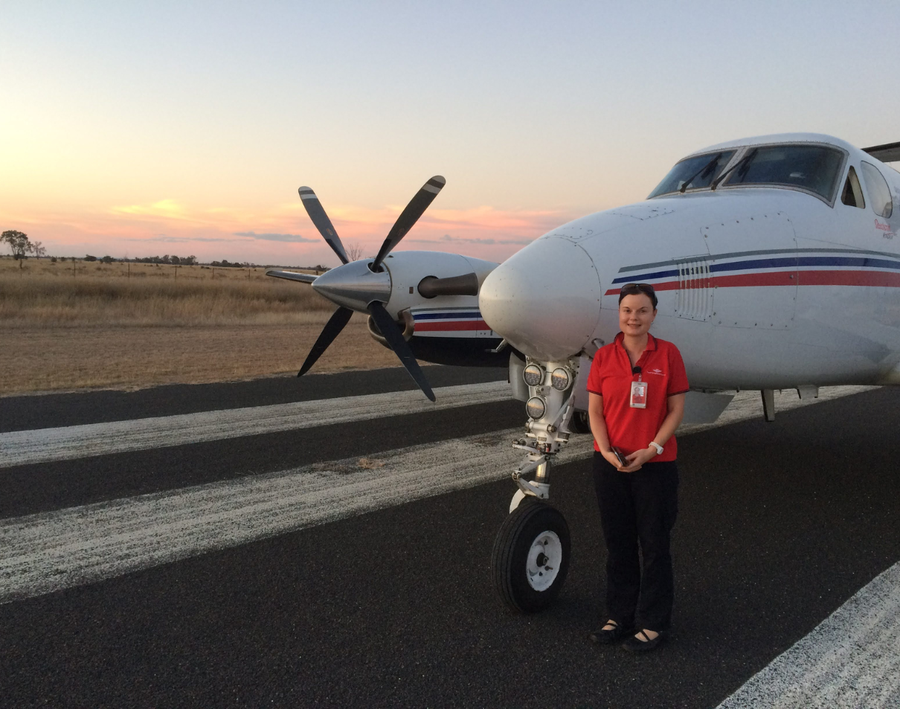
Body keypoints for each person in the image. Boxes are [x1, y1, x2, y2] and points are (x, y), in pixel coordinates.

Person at [586, 282, 688, 653]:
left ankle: (654, 623)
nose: (634, 317)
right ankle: (619, 616)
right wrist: (605, 450)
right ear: (619, 314)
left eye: (642, 311)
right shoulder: (603, 359)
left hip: (655, 464)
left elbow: (676, 409)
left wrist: (652, 448)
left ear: (654, 314)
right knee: (618, 543)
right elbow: (595, 411)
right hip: (610, 462)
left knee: (655, 544)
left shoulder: (669, 355)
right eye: (628, 310)